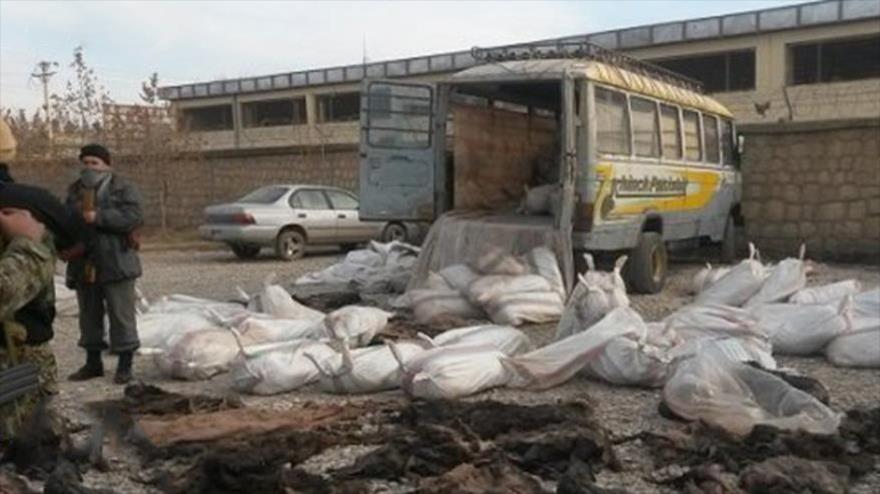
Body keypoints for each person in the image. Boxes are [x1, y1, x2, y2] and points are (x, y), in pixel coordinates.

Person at [66, 144, 144, 384]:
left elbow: (134, 217)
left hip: (117, 260)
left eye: (95, 163)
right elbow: (64, 218)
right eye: (86, 162)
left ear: (107, 165)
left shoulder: (123, 187)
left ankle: (124, 366)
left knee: (121, 315)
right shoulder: (75, 190)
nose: (90, 167)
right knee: (89, 315)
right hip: (85, 262)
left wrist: (98, 217)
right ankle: (93, 363)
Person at [0, 206, 58, 442]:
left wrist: (26, 241)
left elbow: (6, 289)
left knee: (26, 443)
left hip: (18, 370)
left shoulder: (27, 241)